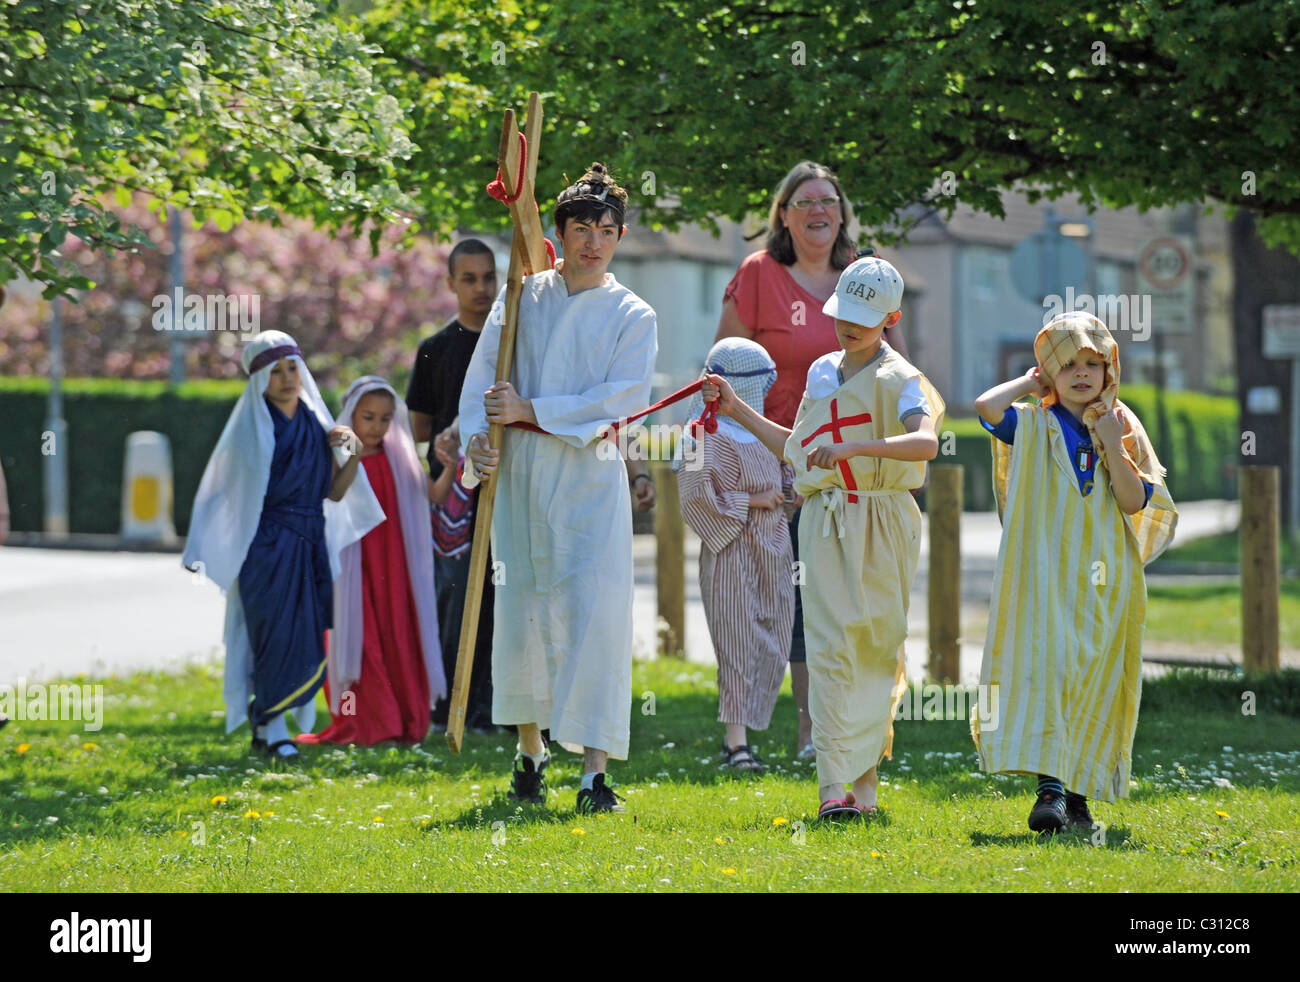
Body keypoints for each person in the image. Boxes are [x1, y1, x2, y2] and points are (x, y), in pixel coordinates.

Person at [703, 257, 943, 821]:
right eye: (844, 314)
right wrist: (736, 407)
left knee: (875, 646)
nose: (849, 326)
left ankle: (867, 789)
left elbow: (926, 443)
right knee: (830, 646)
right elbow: (798, 446)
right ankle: (832, 790)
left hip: (884, 520)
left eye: (864, 316)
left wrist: (858, 448)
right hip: (824, 518)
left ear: (891, 316)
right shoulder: (820, 372)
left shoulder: (902, 378)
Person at [460, 162, 658, 813]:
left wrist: (532, 412)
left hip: (587, 481)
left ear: (619, 236)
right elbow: (482, 383)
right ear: (561, 231)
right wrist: (477, 442)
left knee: (592, 618)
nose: (592, 242)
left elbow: (621, 400)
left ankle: (594, 773)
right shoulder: (522, 297)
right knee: (522, 617)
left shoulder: (634, 313)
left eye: (605, 230)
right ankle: (529, 753)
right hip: (518, 478)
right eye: (581, 228)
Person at [716, 161, 910, 761]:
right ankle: (740, 736)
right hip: (768, 463)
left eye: (829, 199)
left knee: (825, 603)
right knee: (759, 599)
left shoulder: (864, 278)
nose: (819, 210)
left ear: (842, 212)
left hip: (847, 473)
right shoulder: (758, 275)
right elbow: (720, 370)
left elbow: (898, 376)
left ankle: (814, 734)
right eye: (805, 202)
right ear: (784, 214)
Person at [972, 312, 1177, 833]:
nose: (1082, 373)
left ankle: (1080, 793)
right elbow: (985, 408)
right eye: (1068, 364)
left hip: (1106, 581)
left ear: (1110, 371)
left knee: (1096, 677)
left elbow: (1134, 502)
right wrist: (1027, 382)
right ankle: (1050, 789)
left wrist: (1111, 442)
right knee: (1050, 670)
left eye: (1093, 363)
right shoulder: (1034, 421)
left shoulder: (1123, 425)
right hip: (1044, 574)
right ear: (1049, 373)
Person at [183, 330, 384, 760]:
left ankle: (268, 728)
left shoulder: (318, 423)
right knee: (272, 635)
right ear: (260, 380)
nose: (287, 377)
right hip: (266, 547)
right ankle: (274, 731)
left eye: (292, 367)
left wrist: (355, 456)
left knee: (306, 636)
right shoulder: (250, 430)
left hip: (309, 544)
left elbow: (333, 493)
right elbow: (226, 493)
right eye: (276, 371)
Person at [298, 377, 445, 746]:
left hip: (396, 566)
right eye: (368, 417)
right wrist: (354, 454)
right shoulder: (339, 455)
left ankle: (404, 719)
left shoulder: (403, 460)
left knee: (397, 634)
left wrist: (456, 463)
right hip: (355, 565)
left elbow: (435, 495)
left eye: (385, 419)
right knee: (358, 639)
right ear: (351, 414)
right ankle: (358, 722)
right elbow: (334, 495)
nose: (377, 427)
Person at [676, 337, 795, 771]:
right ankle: (735, 742)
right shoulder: (701, 436)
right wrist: (751, 502)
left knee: (773, 637)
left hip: (775, 553)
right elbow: (694, 499)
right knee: (737, 645)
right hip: (731, 554)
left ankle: (749, 731)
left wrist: (787, 493)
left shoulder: (763, 431)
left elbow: (788, 479)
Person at [407, 239, 499, 732]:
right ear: (451, 283)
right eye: (469, 279)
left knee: (504, 598)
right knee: (455, 600)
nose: (481, 288)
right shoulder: (435, 350)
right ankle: (448, 708)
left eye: (488, 277)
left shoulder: (513, 343)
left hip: (504, 488)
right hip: (452, 501)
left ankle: (498, 710)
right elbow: (418, 428)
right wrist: (449, 446)